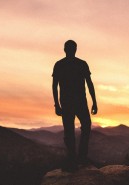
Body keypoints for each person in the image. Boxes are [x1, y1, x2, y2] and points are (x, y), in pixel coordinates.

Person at [52, 40, 98, 172]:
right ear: (67, 49)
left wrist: (94, 101)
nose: (71, 50)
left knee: (75, 129)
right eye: (70, 48)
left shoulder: (65, 64)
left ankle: (78, 158)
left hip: (73, 102)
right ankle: (76, 158)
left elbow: (89, 83)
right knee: (73, 130)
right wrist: (57, 104)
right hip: (74, 102)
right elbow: (54, 85)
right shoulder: (67, 64)